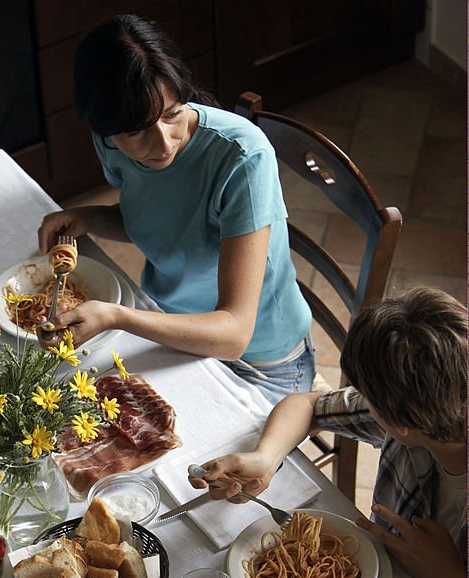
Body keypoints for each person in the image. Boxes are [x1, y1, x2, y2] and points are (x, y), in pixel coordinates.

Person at [37, 14, 314, 405]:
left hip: (262, 362)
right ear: (105, 128)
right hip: (168, 326)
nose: (164, 143)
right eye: (136, 131)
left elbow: (234, 334)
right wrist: (93, 217)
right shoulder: (112, 142)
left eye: (173, 114)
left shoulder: (242, 158)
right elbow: (165, 222)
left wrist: (118, 316)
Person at [189, 288, 467, 578]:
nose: (358, 398)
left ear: (399, 424)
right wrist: (265, 458)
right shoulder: (430, 408)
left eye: (366, 395)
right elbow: (307, 405)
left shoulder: (409, 415)